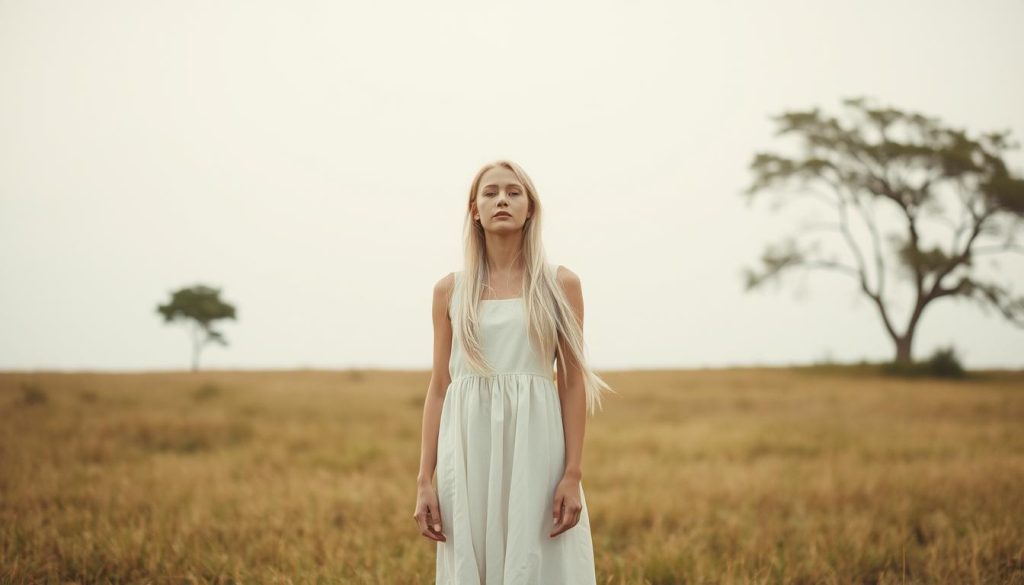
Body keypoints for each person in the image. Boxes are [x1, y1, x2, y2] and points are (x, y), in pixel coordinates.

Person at [413, 160, 615, 584]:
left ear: (530, 209)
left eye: (513, 192)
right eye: (490, 193)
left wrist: (573, 473)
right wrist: (424, 480)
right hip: (468, 451)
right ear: (475, 210)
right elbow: (439, 388)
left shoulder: (560, 284)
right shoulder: (450, 290)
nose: (501, 199)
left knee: (537, 561)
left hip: (537, 450)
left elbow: (573, 383)